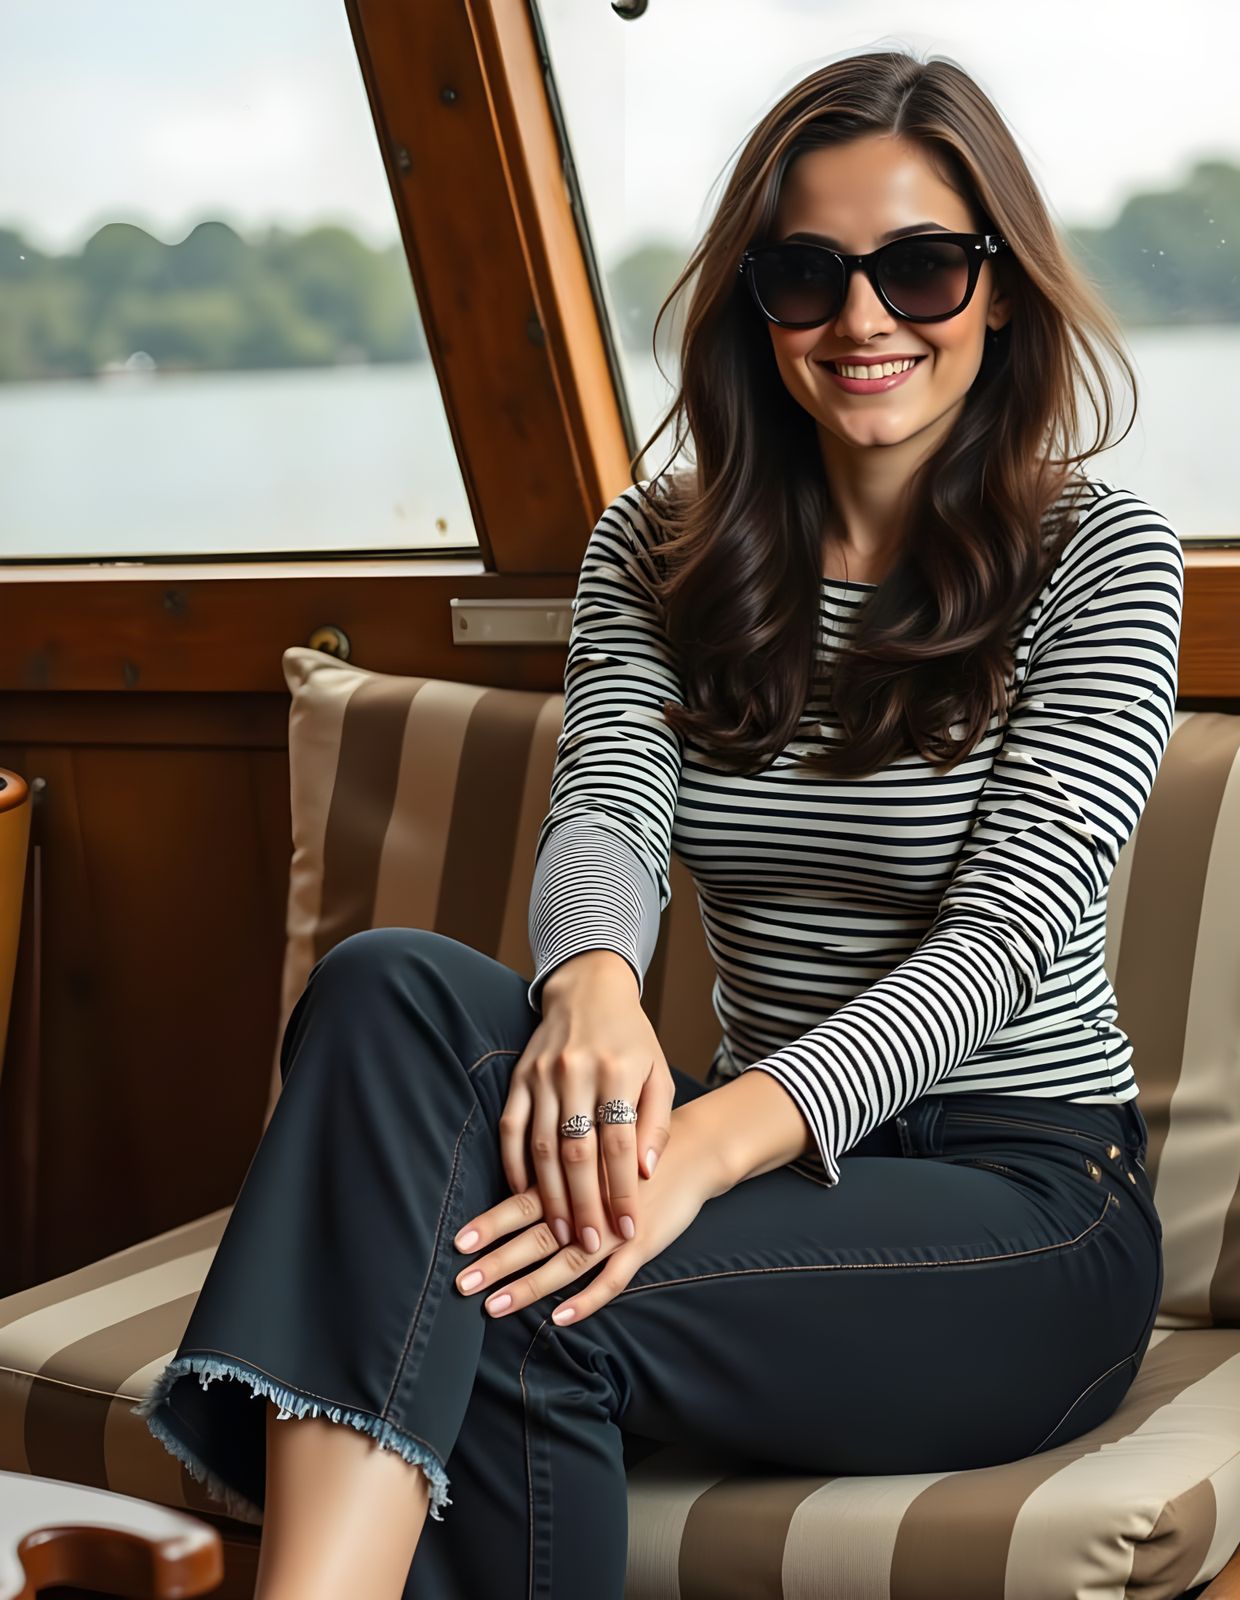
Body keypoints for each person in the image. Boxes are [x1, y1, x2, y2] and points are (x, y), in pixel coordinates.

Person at [133, 45, 1184, 1600]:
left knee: (502, 1287)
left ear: (1002, 289)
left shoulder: (1104, 556)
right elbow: (608, 808)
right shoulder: (659, 544)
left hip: (1022, 1205)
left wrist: (702, 1143)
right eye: (807, 274)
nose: (865, 319)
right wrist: (594, 986)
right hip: (754, 1159)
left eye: (922, 268)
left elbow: (1007, 940)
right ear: (754, 304)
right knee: (387, 992)